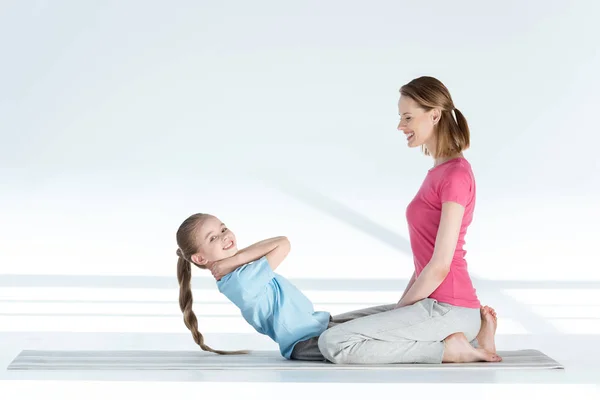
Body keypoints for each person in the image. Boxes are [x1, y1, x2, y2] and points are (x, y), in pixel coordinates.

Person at [316, 76, 503, 364]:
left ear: (435, 115)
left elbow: (440, 266)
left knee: (335, 343)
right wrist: (399, 310)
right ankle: (476, 338)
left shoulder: (455, 176)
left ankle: (450, 349)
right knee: (324, 331)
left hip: (448, 307)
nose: (401, 126)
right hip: (433, 304)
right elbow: (425, 263)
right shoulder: (439, 172)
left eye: (407, 117)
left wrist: (400, 310)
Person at [175, 212, 499, 362]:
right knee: (358, 345)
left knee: (396, 313)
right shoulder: (240, 282)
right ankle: (446, 351)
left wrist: (234, 258)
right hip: (303, 342)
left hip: (320, 322)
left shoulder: (238, 268)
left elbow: (277, 244)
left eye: (223, 227)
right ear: (200, 258)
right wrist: (236, 262)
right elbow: (282, 245)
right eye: (213, 238)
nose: (225, 235)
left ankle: (474, 340)